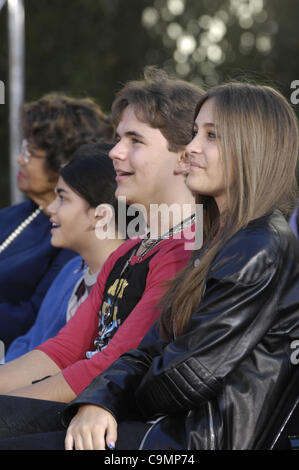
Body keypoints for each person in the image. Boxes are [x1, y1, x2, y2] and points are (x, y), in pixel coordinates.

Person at [1, 81, 297, 450]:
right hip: (153, 424)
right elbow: (143, 349)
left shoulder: (253, 246)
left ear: (251, 147)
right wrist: (100, 398)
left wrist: (102, 399)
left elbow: (189, 373)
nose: (192, 148)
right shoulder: (202, 242)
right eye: (193, 134)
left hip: (181, 439)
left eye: (211, 136)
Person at [0, 67, 202, 420]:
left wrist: (13, 409)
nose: (115, 152)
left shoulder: (186, 250)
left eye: (134, 141)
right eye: (118, 138)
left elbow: (115, 363)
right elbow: (62, 349)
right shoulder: (129, 250)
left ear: (184, 157)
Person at [0, 93, 114, 350]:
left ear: (62, 162)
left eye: (30, 152)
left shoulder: (72, 239)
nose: (20, 159)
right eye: (22, 149)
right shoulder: (16, 215)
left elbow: (33, 322)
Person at [4, 142, 125, 362]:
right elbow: (30, 341)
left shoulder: (123, 284)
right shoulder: (71, 270)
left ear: (100, 216)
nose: (50, 208)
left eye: (62, 198)